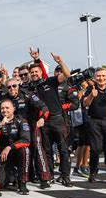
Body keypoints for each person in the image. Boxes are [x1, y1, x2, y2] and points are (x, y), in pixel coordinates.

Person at [28, 51, 73, 187]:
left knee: (63, 150)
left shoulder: (50, 81)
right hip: (42, 122)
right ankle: (50, 176)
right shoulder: (30, 88)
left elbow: (67, 74)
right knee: (46, 150)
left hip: (57, 120)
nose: (34, 74)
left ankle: (65, 176)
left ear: (41, 72)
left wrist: (60, 62)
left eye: (36, 72)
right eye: (32, 73)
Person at [1, 78, 51, 188]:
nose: (12, 89)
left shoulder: (28, 94)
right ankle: (21, 177)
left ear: (18, 85)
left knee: (37, 148)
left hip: (32, 125)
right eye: (9, 87)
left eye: (14, 86)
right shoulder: (4, 98)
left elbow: (44, 107)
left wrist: (42, 118)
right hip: (14, 128)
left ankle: (45, 178)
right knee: (20, 151)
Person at [0, 99, 31, 195]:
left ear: (13, 109)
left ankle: (22, 183)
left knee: (25, 150)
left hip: (16, 153)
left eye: (7, 108)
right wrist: (0, 125)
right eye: (2, 108)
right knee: (0, 184)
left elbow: (26, 140)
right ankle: (12, 175)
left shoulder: (21, 121)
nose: (4, 110)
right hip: (3, 155)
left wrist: (9, 147)